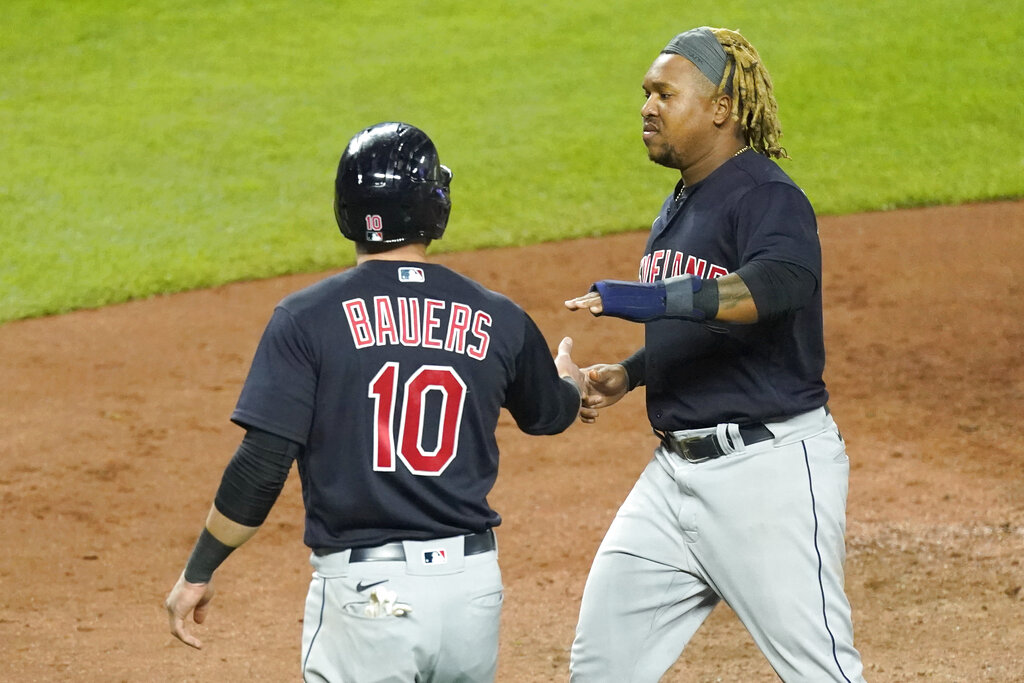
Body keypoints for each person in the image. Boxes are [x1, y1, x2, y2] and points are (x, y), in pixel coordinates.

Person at [163, 121, 585, 682]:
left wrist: (199, 571)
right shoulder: (498, 314)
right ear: (435, 207)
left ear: (346, 210)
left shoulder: (305, 318)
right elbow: (550, 414)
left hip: (370, 598)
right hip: (472, 593)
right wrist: (571, 380)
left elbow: (261, 468)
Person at [563, 27, 866, 682]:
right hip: (673, 479)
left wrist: (644, 300)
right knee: (601, 666)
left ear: (721, 108)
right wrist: (630, 372)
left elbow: (775, 286)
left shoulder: (766, 196)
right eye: (646, 93)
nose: (647, 106)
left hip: (767, 475)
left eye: (665, 93)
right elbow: (701, 319)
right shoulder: (682, 201)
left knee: (823, 673)